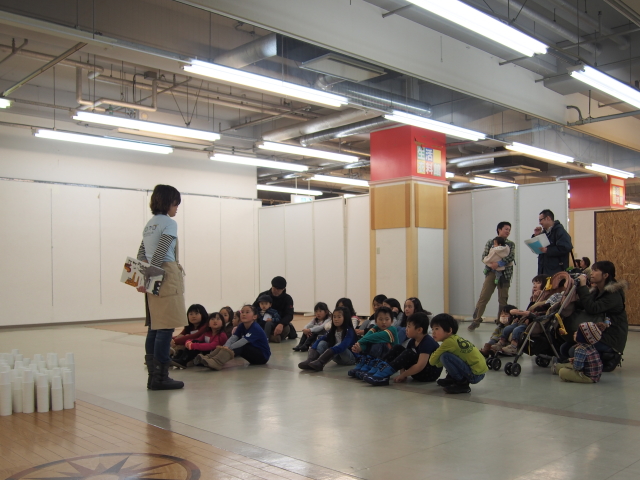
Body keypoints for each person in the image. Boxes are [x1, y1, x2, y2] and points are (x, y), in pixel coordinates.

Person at [137, 184, 186, 391]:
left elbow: (141, 254)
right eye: (175, 203)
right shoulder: (169, 223)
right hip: (164, 274)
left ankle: (152, 376)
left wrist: (144, 279)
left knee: (155, 327)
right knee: (166, 327)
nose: (177, 208)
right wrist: (151, 277)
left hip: (152, 274)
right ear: (168, 202)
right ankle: (161, 377)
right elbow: (161, 251)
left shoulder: (149, 225)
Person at [364, 312, 442, 386]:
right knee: (398, 348)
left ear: (419, 330)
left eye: (409, 326)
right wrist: (402, 374)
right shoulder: (412, 341)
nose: (406, 329)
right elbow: (403, 359)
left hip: (428, 374)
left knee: (409, 352)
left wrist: (403, 375)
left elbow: (420, 365)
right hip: (419, 372)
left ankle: (383, 374)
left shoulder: (427, 342)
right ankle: (378, 369)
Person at [468, 222, 516, 331]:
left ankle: (501, 322)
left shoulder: (510, 244)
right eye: (506, 229)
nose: (508, 231)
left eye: (509, 229)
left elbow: (511, 257)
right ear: (499, 229)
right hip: (491, 273)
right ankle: (476, 320)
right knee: (484, 297)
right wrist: (492, 264)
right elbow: (484, 257)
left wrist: (499, 263)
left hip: (505, 274)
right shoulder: (491, 242)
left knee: (503, 299)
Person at [575, 261, 628, 356]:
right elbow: (582, 304)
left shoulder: (613, 294)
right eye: (592, 270)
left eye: (595, 270)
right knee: (564, 347)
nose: (591, 273)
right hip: (598, 333)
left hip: (610, 338)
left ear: (605, 275)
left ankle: (608, 358)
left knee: (573, 350)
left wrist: (583, 287)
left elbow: (592, 308)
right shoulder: (597, 291)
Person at [197, 305, 270, 370]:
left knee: (240, 346)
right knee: (227, 346)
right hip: (251, 353)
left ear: (254, 317)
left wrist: (228, 348)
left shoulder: (255, 328)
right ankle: (209, 357)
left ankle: (217, 362)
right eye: (242, 312)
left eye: (247, 312)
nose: (244, 314)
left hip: (262, 357)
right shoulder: (241, 326)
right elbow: (233, 338)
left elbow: (243, 341)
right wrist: (225, 346)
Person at [430, 314, 488, 394]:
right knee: (447, 355)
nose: (433, 332)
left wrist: (438, 361)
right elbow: (439, 363)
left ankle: (462, 383)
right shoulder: (455, 339)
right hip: (480, 372)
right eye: (432, 329)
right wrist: (439, 362)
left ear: (449, 330)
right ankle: (452, 378)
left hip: (475, 375)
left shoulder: (448, 342)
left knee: (445, 356)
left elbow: (432, 361)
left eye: (436, 329)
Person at [298, 306, 357, 371]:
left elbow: (343, 346)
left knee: (338, 344)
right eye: (334, 317)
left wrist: (331, 349)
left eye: (339, 317)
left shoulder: (349, 331)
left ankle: (320, 362)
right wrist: (313, 348)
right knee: (322, 342)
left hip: (350, 359)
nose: (336, 319)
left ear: (345, 318)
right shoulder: (333, 330)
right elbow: (321, 339)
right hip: (337, 358)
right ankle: (310, 360)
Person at [348, 306, 399, 379]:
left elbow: (375, 337)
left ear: (392, 321)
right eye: (380, 319)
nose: (384, 322)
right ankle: (366, 362)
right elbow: (367, 336)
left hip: (390, 359)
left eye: (387, 319)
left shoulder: (392, 329)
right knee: (369, 341)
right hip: (379, 355)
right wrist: (360, 347)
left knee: (378, 342)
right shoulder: (375, 328)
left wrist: (359, 342)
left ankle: (372, 364)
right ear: (376, 321)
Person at [253, 276, 294, 342]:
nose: (276, 291)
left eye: (279, 289)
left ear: (283, 289)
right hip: (261, 321)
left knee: (286, 329)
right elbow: (254, 308)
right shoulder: (263, 295)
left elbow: (289, 315)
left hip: (277, 323)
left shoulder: (288, 299)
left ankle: (265, 336)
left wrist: (281, 324)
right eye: (274, 288)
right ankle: (268, 337)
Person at [534, 209, 573, 276]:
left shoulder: (559, 231)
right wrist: (537, 236)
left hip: (555, 271)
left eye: (541, 220)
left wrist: (548, 250)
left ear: (548, 218)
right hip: (544, 270)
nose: (540, 223)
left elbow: (566, 247)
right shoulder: (545, 232)